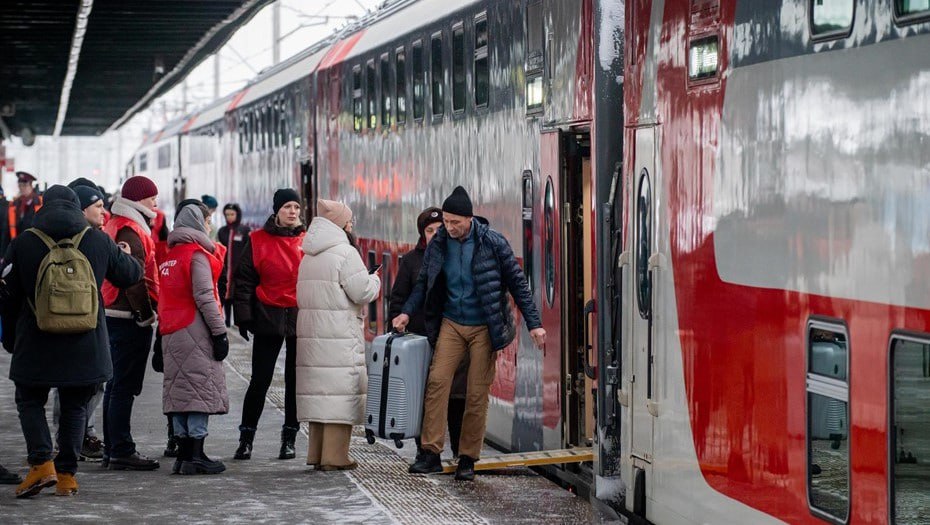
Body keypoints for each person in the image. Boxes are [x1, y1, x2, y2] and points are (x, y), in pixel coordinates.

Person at [394, 186, 546, 481]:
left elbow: (519, 285)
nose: (449, 228)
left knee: (476, 393)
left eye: (455, 222)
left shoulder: (493, 243)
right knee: (437, 383)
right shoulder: (439, 243)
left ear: (469, 219)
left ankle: (467, 457)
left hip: (484, 327)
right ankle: (430, 452)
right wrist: (406, 313)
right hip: (452, 322)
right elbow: (423, 283)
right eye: (446, 222)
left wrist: (535, 324)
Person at [1, 185, 142, 497]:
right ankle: (66, 476)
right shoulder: (97, 239)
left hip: (36, 340)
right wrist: (129, 257)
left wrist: (10, 339)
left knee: (29, 400)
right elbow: (130, 275)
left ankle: (41, 464)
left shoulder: (25, 242)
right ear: (78, 208)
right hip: (86, 342)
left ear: (43, 207)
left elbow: (6, 296)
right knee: (75, 405)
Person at [296, 200, 380, 471]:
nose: (352, 225)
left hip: (314, 334)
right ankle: (335, 457)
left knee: (321, 394)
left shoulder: (309, 254)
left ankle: (317, 454)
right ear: (341, 224)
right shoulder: (345, 252)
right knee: (339, 393)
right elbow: (362, 292)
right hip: (338, 334)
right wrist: (375, 280)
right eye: (350, 221)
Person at [155, 201, 229, 475]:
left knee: (181, 393)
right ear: (198, 224)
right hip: (195, 330)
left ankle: (184, 456)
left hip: (172, 331)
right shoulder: (196, 255)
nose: (209, 227)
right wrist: (220, 332)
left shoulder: (170, 256)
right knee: (198, 391)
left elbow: (163, 299)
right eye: (207, 222)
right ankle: (196, 455)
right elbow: (205, 296)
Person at [389, 207, 468, 458]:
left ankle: (458, 449)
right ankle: (425, 450)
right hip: (422, 341)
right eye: (430, 230)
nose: (435, 234)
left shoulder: (456, 256)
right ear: (422, 234)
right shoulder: (412, 261)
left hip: (454, 338)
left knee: (457, 397)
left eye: (439, 229)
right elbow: (400, 298)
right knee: (426, 397)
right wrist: (401, 324)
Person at [233, 189, 305, 461]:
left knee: (294, 382)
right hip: (268, 315)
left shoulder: (308, 241)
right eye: (287, 206)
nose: (293, 212)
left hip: (300, 315)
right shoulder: (257, 240)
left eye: (296, 207)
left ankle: (290, 438)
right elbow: (244, 281)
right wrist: (244, 317)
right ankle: (246, 437)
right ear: (276, 211)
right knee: (260, 380)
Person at [100, 176, 161, 471]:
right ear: (138, 200)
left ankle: (112, 448)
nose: (155, 201)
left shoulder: (117, 223)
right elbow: (134, 278)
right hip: (127, 317)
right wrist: (146, 315)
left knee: (114, 385)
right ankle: (121, 449)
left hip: (113, 313)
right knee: (124, 386)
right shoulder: (132, 230)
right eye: (151, 197)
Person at [216, 203, 250, 326]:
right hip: (225, 269)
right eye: (227, 214)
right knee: (226, 295)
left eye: (232, 214)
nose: (229, 217)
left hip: (238, 270)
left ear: (238, 214)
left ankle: (238, 321)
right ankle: (226, 320)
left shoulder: (244, 230)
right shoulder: (222, 231)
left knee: (237, 295)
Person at [7, 171, 43, 241]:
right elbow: (8, 228)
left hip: (34, 242)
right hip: (17, 242)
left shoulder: (39, 202)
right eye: (20, 185)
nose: (21, 188)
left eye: (24, 185)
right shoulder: (14, 203)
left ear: (31, 186)